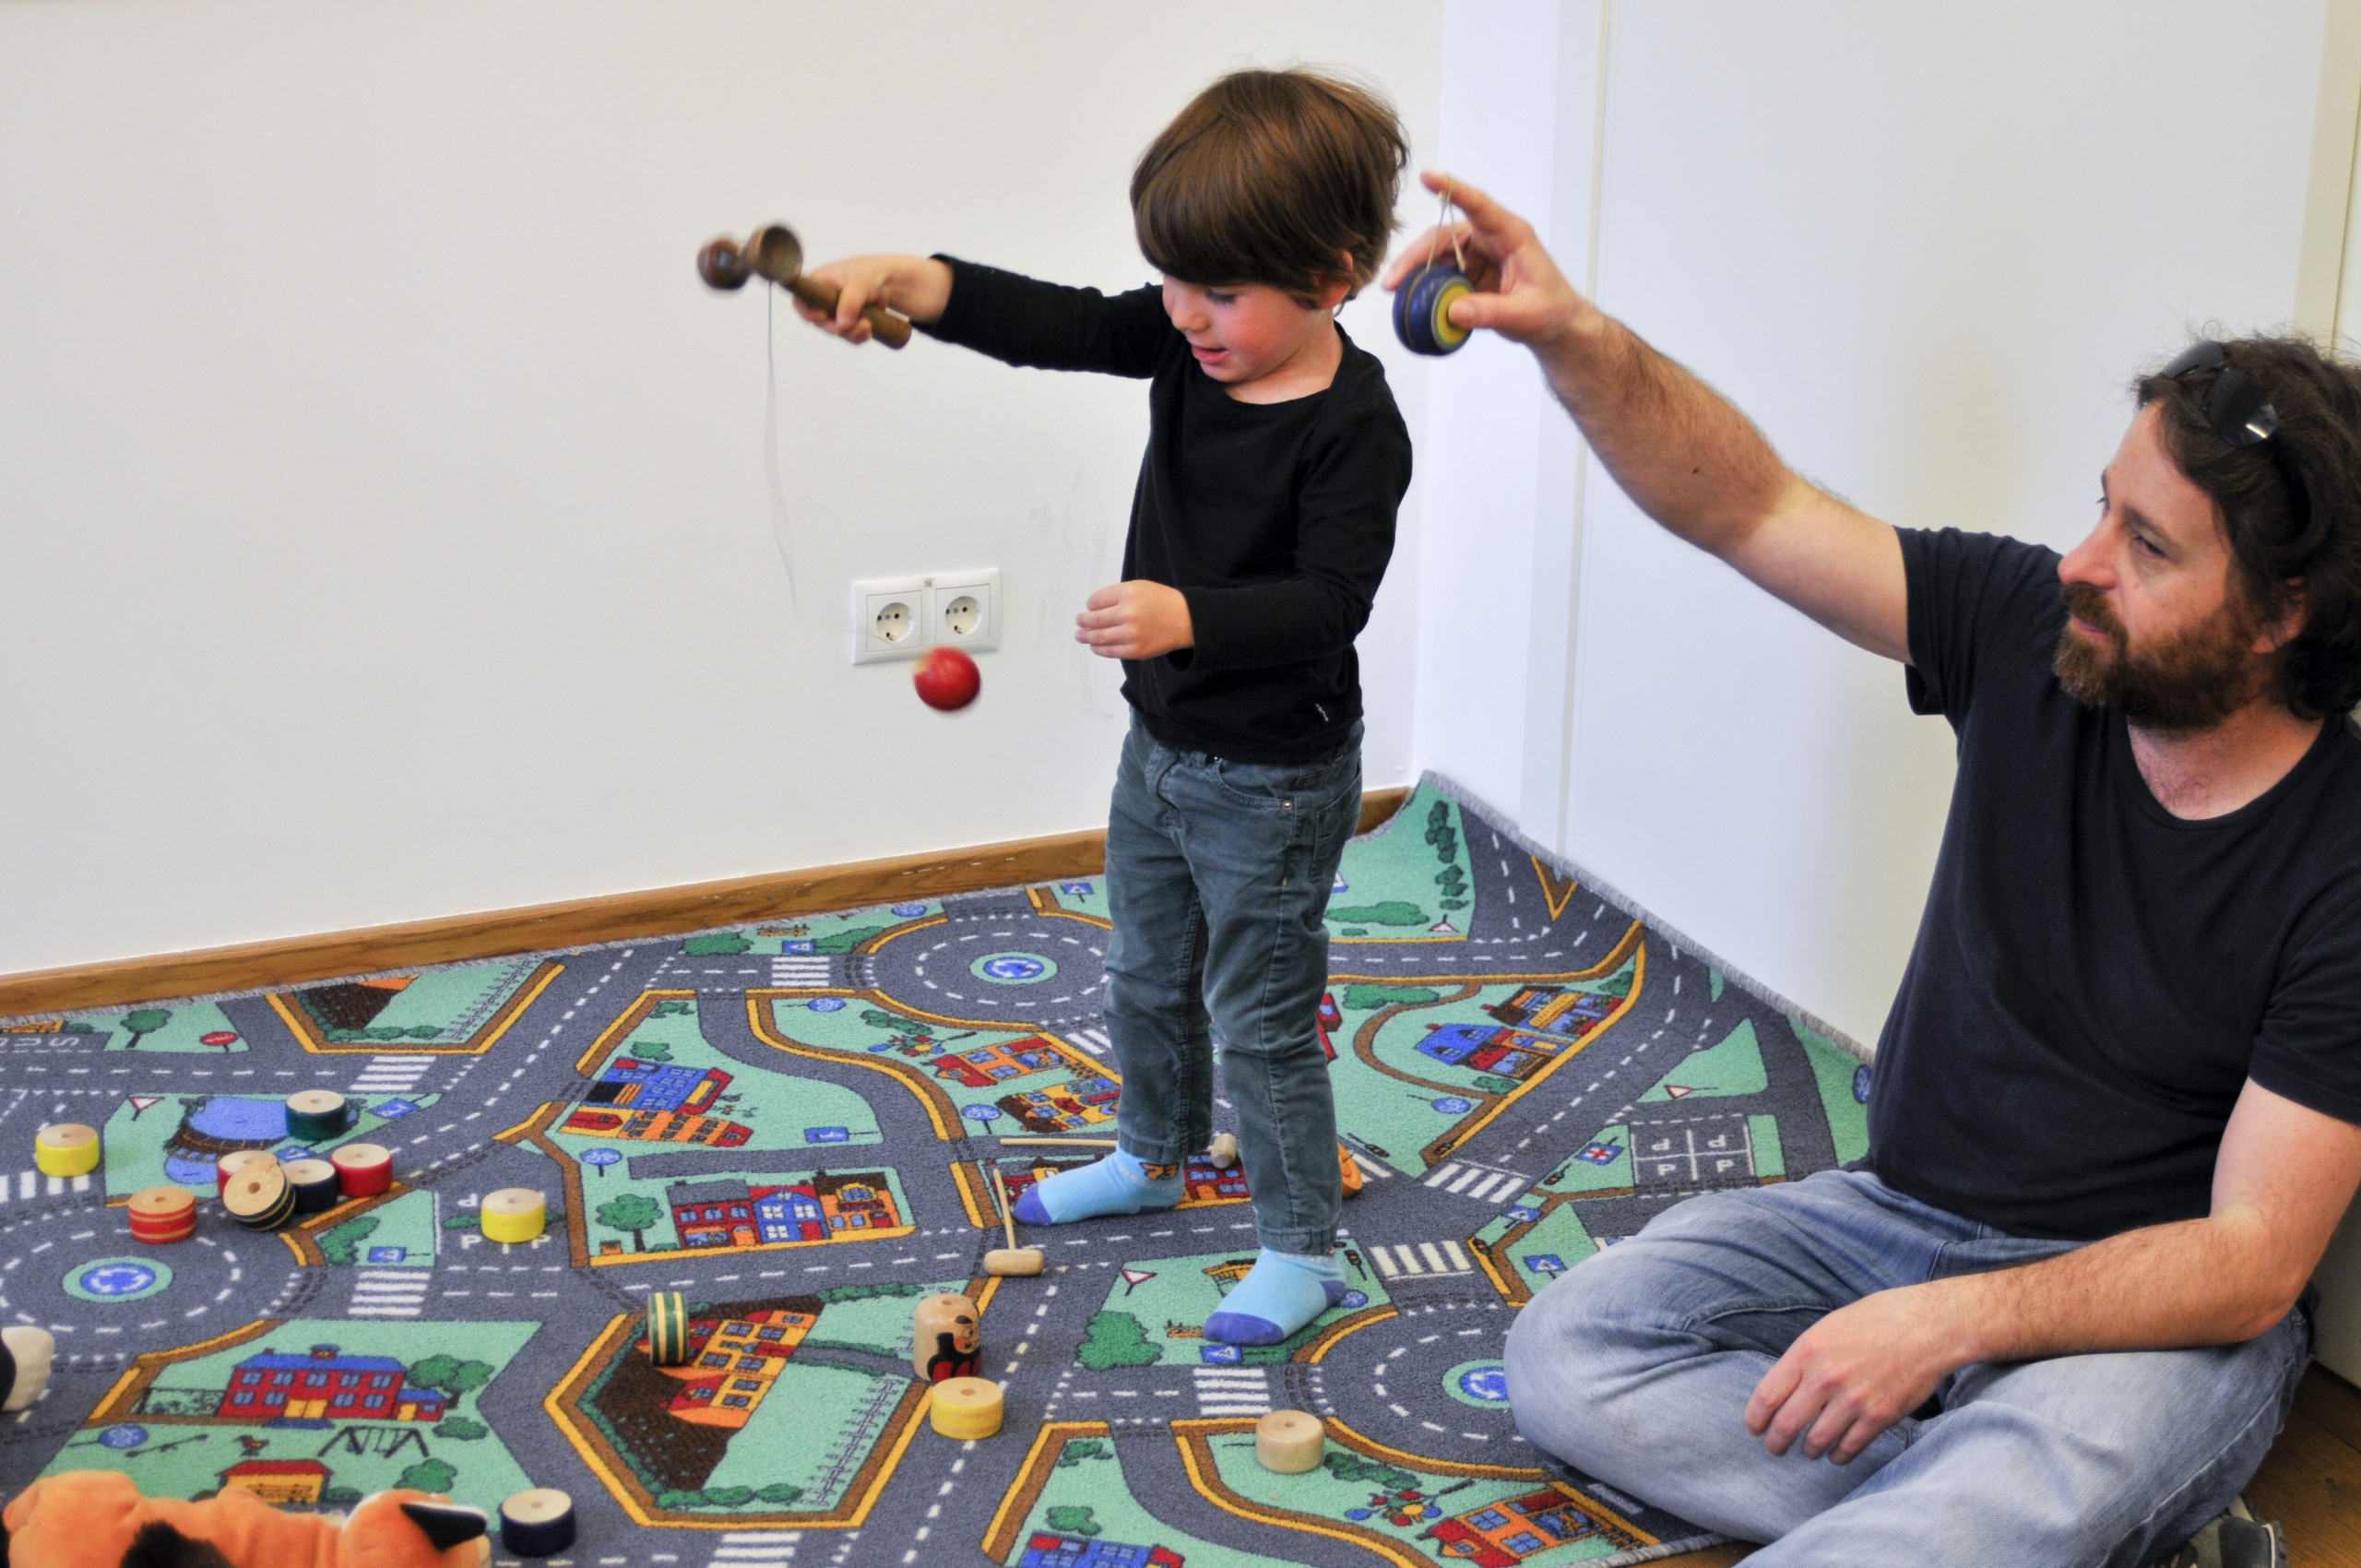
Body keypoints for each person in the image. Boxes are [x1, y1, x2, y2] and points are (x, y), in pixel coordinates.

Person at [1387, 172, 2361, 1564]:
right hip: (1887, 1215)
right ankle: (2022, 1520)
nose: (2080, 563)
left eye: (2146, 547)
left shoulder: (2342, 859)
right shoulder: (2029, 629)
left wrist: (1946, 1326)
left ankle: (2005, 1507)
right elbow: (1751, 508)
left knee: (1993, 1498)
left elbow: (2251, 1261)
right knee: (1570, 1354)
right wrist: (1573, 337)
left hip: (2150, 1315)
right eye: (2102, 508)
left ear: (2281, 615)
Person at [797, 70, 1414, 1346]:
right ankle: (1152, 1153)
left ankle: (1303, 1248)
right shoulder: (1189, 342)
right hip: (1161, 747)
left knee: (1260, 1019)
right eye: (1171, 280)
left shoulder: (1356, 427)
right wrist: (911, 277)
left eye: (1220, 291)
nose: (1183, 314)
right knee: (1143, 971)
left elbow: (1330, 604)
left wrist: (1192, 616)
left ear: (1333, 277)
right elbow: (1054, 321)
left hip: (1277, 781)